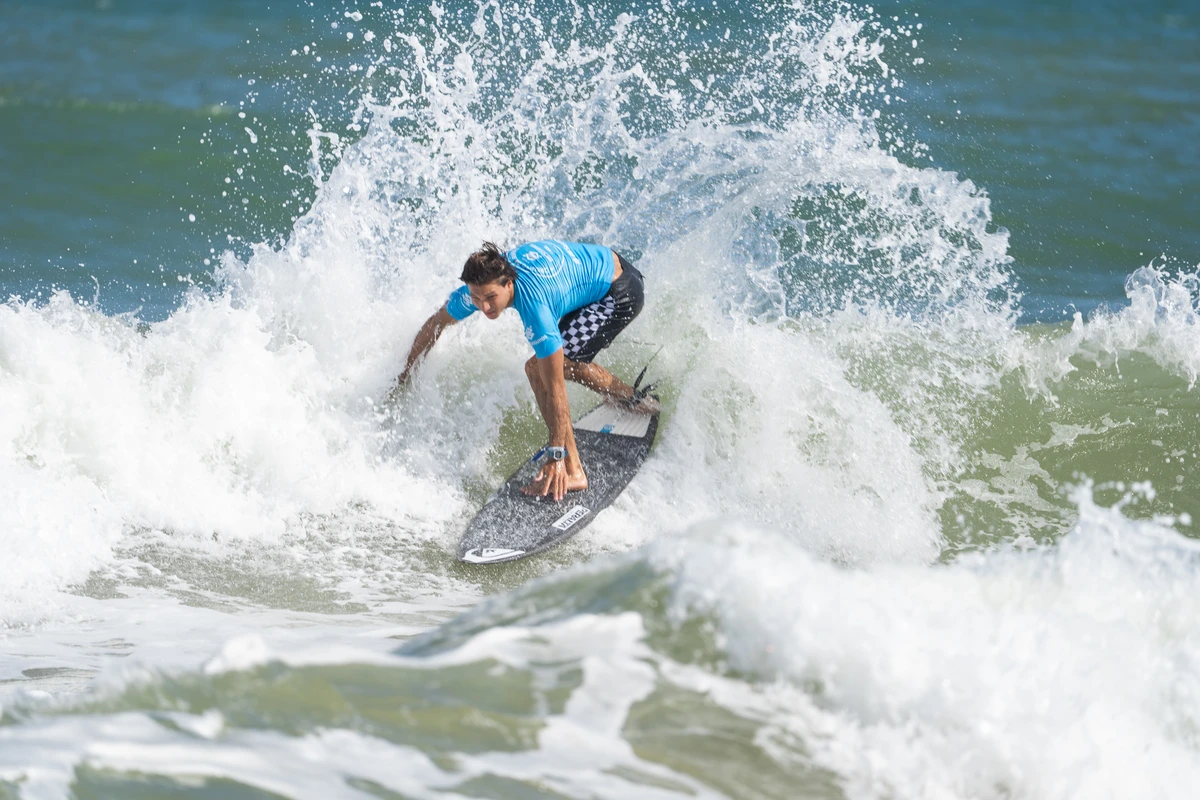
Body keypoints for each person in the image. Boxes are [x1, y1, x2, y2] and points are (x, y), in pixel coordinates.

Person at [397, 240, 655, 502]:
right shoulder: (481, 286)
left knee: (539, 368)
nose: (484, 307)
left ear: (508, 284)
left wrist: (556, 454)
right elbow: (437, 322)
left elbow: (555, 388)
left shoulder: (535, 307)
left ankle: (573, 470)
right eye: (477, 299)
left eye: (490, 298)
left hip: (618, 292)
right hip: (597, 272)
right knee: (559, 361)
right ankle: (632, 399)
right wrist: (404, 375)